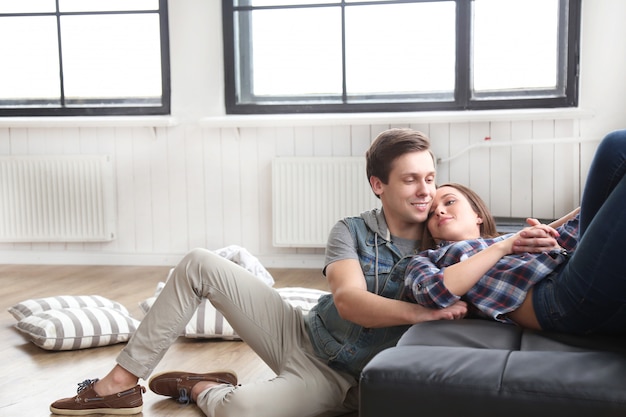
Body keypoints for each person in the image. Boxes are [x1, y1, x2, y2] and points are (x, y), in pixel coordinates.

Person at [50, 128, 475, 417]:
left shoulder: (442, 240)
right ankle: (119, 385)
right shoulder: (350, 230)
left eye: (430, 178)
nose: (426, 191)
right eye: (411, 180)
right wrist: (423, 314)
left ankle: (200, 387)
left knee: (239, 410)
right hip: (301, 332)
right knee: (200, 261)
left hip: (337, 378)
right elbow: (348, 302)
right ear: (378, 184)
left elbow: (485, 244)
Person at [404, 128, 626, 335]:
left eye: (449, 202)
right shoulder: (426, 259)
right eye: (432, 213)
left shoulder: (505, 241)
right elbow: (431, 292)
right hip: (556, 302)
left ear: (477, 215)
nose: (440, 211)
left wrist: (544, 234)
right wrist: (505, 246)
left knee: (616, 145)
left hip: (571, 268)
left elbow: (575, 229)